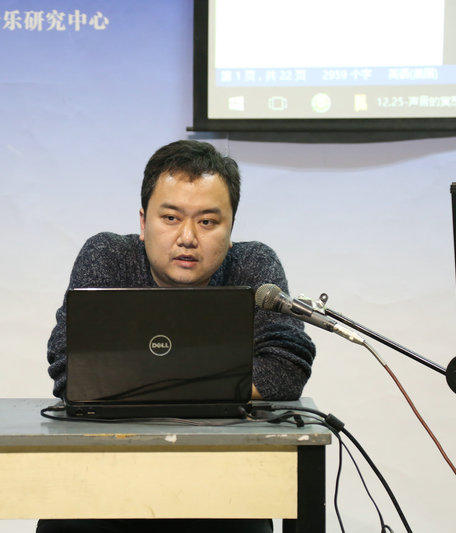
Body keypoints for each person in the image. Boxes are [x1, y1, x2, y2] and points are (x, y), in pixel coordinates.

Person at [38, 140, 316, 533]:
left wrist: (132, 386)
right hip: (104, 474)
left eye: (207, 222)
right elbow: (72, 371)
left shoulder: (252, 264)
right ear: (143, 222)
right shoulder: (107, 257)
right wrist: (217, 387)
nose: (187, 237)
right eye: (170, 218)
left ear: (231, 229)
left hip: (224, 481)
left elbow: (286, 369)